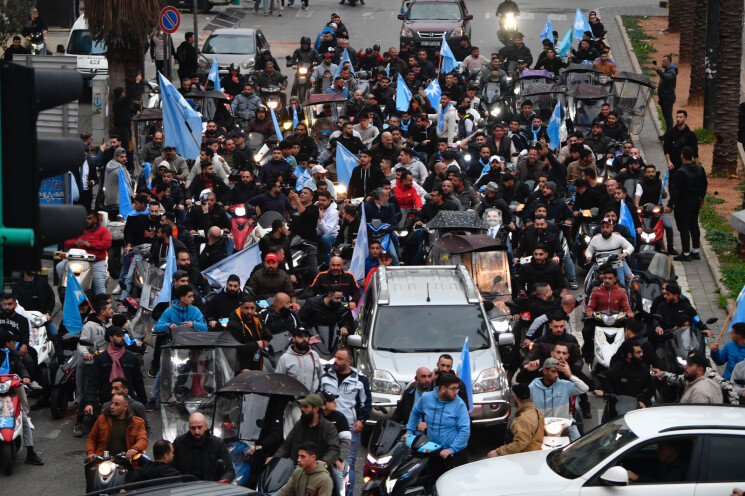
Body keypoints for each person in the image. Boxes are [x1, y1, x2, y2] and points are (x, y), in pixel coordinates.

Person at [319, 349, 371, 496]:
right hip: (327, 426)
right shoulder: (325, 377)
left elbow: (366, 403)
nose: (335, 361)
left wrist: (361, 420)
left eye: (340, 359)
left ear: (348, 362)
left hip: (349, 427)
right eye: (335, 357)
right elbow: (318, 398)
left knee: (347, 464)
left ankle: (347, 493)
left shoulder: (360, 380)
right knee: (325, 460)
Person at [405, 372, 470, 485]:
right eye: (453, 389)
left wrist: (451, 449)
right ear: (443, 388)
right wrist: (409, 431)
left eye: (457, 388)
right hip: (433, 451)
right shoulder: (426, 398)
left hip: (454, 454)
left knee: (453, 487)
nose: (456, 392)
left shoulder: (459, 404)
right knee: (433, 483)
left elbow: (465, 430)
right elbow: (415, 412)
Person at [85, 393, 148, 490]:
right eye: (112, 403)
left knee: (132, 488)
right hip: (102, 462)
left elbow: (143, 440)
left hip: (126, 464)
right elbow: (91, 439)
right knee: (92, 486)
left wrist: (134, 449)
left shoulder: (137, 422)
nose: (112, 406)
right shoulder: (102, 419)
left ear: (125, 407)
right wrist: (90, 453)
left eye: (116, 404)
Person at [83, 327, 148, 418]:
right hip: (106, 400)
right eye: (118, 336)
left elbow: (138, 381)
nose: (122, 338)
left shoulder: (131, 358)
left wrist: (143, 401)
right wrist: (89, 403)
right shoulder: (101, 358)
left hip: (127, 401)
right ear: (111, 338)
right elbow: (93, 382)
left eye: (123, 336)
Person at [0, 331, 43, 466]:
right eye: (13, 341)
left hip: (10, 393)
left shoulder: (14, 355)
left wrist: (25, 377)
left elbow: (21, 367)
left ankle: (30, 452)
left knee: (23, 420)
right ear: (7, 343)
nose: (15, 343)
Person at [270, 394, 340, 468]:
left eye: (306, 407)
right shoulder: (299, 425)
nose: (302, 409)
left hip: (318, 470)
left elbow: (334, 450)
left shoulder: (328, 427)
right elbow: (286, 446)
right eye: (302, 406)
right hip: (296, 468)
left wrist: (323, 462)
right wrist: (275, 458)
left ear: (316, 409)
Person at [529, 357, 589, 441]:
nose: (557, 375)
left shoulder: (565, 385)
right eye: (553, 371)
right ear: (545, 371)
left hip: (563, 424)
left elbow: (585, 388)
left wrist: (570, 375)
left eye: (557, 372)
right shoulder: (532, 387)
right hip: (542, 426)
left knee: (577, 442)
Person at [58, 210, 111, 296]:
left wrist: (91, 245)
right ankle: (66, 289)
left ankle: (102, 303)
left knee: (99, 288)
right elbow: (66, 242)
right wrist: (75, 243)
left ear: (95, 219)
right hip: (75, 260)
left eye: (89, 219)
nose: (86, 221)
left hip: (96, 262)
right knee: (59, 267)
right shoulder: (76, 229)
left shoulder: (103, 230)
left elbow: (107, 244)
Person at [667, 146, 707, 262]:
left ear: (682, 155)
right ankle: (696, 251)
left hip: (683, 203)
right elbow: (704, 184)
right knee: (694, 225)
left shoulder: (680, 172)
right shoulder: (700, 168)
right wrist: (702, 198)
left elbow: (675, 191)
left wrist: (670, 205)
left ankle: (686, 253)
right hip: (696, 201)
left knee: (684, 227)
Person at [172, 412, 234, 482]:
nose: (196, 431)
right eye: (193, 428)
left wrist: (223, 481)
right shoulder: (179, 443)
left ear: (206, 426)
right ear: (189, 427)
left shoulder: (218, 444)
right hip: (185, 486)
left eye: (199, 427)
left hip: (210, 486)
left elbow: (229, 470)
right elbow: (170, 467)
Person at [486, 383, 543, 458]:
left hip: (523, 458)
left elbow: (519, 444)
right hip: (535, 454)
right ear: (530, 394)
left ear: (515, 397)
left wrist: (498, 452)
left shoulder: (523, 419)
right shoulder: (538, 412)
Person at [595, 341, 656, 408]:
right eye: (638, 352)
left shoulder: (643, 368)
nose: (641, 354)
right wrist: (602, 391)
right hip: (621, 405)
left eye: (641, 352)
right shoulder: (618, 367)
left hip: (639, 405)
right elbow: (604, 377)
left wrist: (642, 400)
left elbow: (650, 388)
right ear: (629, 355)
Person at [226, 296, 271, 372]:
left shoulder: (257, 317)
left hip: (257, 361)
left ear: (255, 308)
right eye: (246, 308)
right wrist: (256, 344)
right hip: (242, 367)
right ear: (241, 308)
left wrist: (266, 340)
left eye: (252, 308)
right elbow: (236, 349)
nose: (249, 311)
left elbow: (267, 333)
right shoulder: (233, 325)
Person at [276, 327, 323, 392]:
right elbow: (278, 380)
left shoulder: (314, 355)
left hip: (313, 396)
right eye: (300, 336)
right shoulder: (284, 358)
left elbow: (322, 375)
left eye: (306, 336)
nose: (304, 339)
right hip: (293, 396)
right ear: (294, 339)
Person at [652, 55, 677, 134]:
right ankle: (668, 134)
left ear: (669, 62)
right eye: (662, 61)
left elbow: (666, 77)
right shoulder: (667, 71)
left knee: (668, 117)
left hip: (668, 98)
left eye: (664, 61)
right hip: (664, 98)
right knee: (666, 116)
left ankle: (670, 134)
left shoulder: (672, 72)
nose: (662, 63)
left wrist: (658, 70)